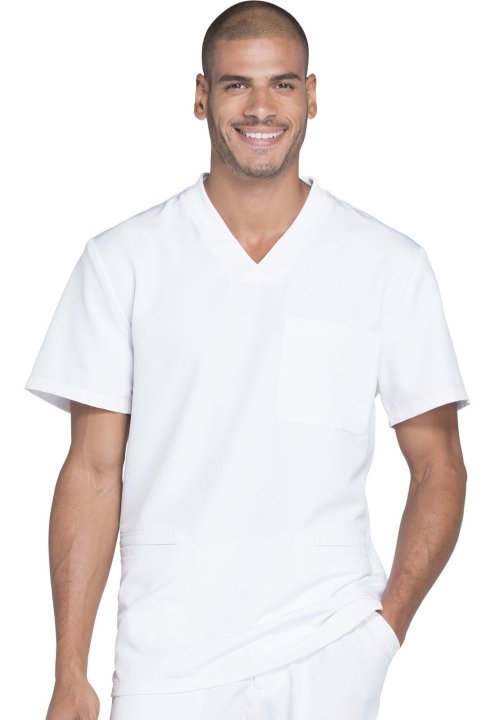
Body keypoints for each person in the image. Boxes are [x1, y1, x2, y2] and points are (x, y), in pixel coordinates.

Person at [24, 2, 470, 719]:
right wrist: (69, 669)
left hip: (329, 655)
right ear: (202, 96)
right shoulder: (123, 262)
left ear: (311, 96)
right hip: (168, 664)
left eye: (282, 84)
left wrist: (385, 630)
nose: (261, 107)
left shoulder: (387, 265)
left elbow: (438, 464)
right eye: (237, 84)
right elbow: (93, 471)